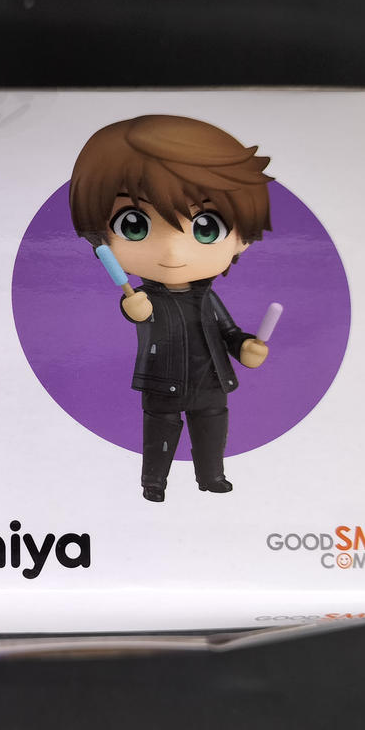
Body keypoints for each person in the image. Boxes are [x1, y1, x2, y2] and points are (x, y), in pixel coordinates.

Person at [70, 115, 273, 502]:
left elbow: (229, 332)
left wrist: (245, 346)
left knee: (211, 427)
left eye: (206, 228)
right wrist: (135, 308)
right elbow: (140, 314)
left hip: (210, 378)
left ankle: (212, 475)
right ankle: (154, 482)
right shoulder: (144, 298)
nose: (172, 251)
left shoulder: (207, 298)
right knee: (160, 430)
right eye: (134, 225)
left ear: (242, 240)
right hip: (162, 377)